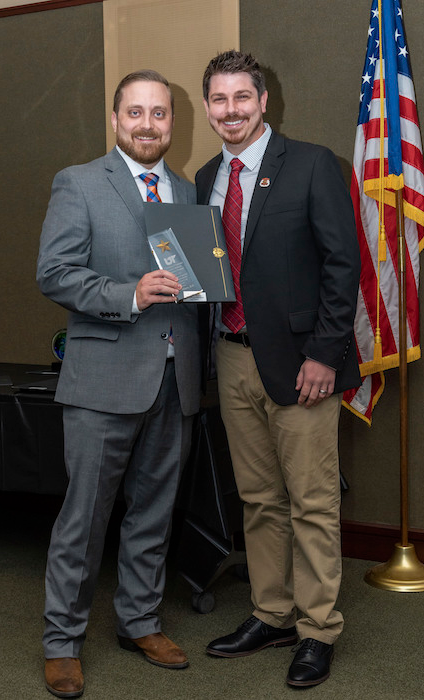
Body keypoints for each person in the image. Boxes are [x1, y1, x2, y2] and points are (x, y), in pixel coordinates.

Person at [196, 50, 361, 688]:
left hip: (302, 366)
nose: (230, 110)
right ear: (208, 107)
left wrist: (324, 355)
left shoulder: (315, 165)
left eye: (242, 97)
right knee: (259, 500)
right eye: (219, 100)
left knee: (312, 503)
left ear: (265, 102)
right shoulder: (207, 175)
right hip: (232, 358)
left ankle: (317, 629)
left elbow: (341, 267)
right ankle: (272, 613)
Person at [37, 69, 202, 698]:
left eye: (159, 114)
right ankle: (61, 641)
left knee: (153, 514)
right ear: (115, 120)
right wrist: (126, 294)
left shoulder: (186, 193)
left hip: (174, 376)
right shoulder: (78, 183)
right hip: (102, 378)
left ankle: (138, 621)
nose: (148, 124)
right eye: (135, 113)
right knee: (84, 518)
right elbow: (53, 273)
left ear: (171, 122)